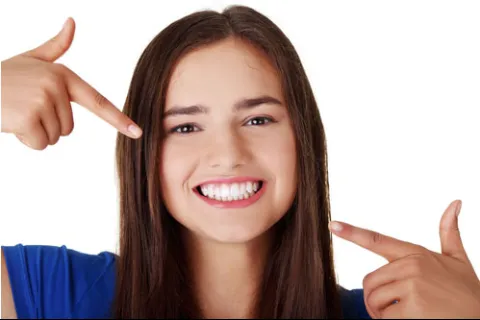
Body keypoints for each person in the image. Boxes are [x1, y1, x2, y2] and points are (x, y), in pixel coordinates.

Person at [1, 5, 480, 319]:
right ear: (144, 153)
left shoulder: (399, 314)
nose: (229, 154)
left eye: (257, 120)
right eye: (186, 127)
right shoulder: (46, 293)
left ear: (303, 139)